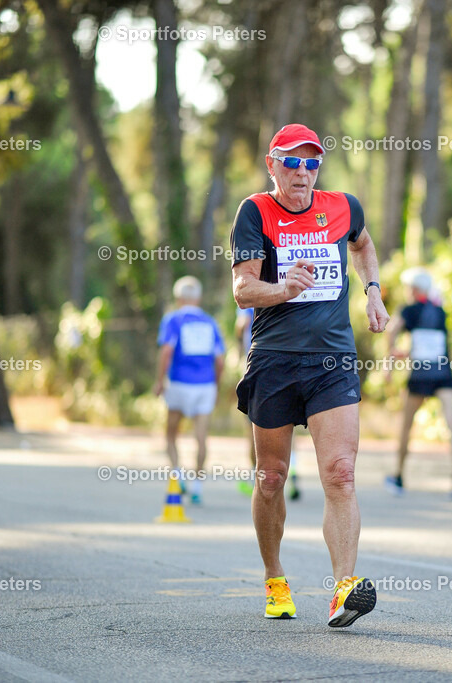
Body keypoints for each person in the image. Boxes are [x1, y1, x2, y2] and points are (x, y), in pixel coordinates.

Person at [230, 123, 389, 627]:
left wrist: (374, 291)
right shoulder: (255, 211)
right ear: (271, 164)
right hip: (275, 359)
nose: (302, 172)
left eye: (311, 162)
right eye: (292, 162)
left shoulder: (343, 206)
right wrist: (283, 289)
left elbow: (362, 247)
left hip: (333, 359)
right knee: (272, 478)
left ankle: (344, 588)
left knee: (340, 472)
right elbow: (242, 289)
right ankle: (275, 577)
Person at [385, 268, 452, 498]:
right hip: (442, 372)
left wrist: (390, 357)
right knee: (451, 422)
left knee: (407, 424)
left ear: (415, 288)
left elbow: (392, 329)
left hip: (421, 374)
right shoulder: (440, 311)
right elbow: (432, 343)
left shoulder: (409, 310)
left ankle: (399, 477)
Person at [154, 276, 225, 505]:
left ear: (178, 299)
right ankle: (198, 486)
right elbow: (220, 359)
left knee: (171, 433)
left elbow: (166, 352)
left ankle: (177, 474)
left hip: (179, 383)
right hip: (205, 385)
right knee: (201, 437)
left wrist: (159, 381)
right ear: (199, 298)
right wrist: (216, 383)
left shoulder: (172, 319)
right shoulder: (210, 322)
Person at [234, 307, 300, 500]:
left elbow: (242, 325)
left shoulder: (253, 289)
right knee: (289, 424)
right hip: (291, 362)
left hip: (259, 363)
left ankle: (256, 473)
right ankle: (293, 469)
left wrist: (240, 356)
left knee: (255, 423)